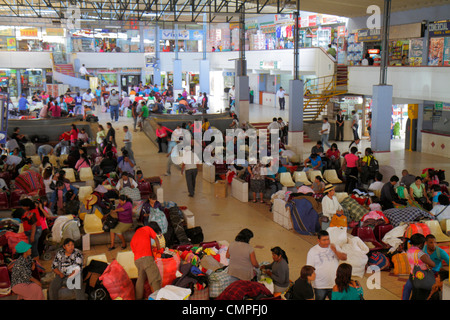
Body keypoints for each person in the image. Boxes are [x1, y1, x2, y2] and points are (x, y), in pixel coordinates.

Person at [306, 230, 347, 300]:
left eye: (328, 239)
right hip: (320, 286)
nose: (327, 242)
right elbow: (309, 269)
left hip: (334, 284)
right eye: (324, 240)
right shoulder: (312, 251)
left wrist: (335, 251)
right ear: (318, 240)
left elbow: (344, 257)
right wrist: (308, 285)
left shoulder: (334, 247)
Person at [130, 226, 162, 300]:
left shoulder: (133, 238)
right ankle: (160, 297)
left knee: (141, 279)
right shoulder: (146, 228)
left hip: (137, 260)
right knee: (155, 278)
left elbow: (135, 251)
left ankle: (138, 298)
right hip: (146, 258)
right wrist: (159, 249)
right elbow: (156, 239)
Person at [404, 233, 435, 300]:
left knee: (415, 294)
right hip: (421, 276)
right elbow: (433, 264)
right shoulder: (420, 254)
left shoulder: (409, 250)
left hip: (413, 275)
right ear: (421, 244)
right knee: (421, 296)